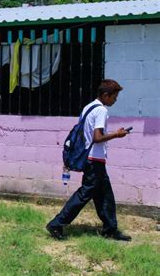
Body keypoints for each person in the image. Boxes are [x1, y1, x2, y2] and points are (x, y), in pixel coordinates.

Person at [46, 79, 132, 241]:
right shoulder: (101, 110)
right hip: (94, 159)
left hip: (90, 159)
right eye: (114, 97)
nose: (115, 100)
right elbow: (97, 137)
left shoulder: (88, 107)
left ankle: (110, 228)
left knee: (104, 194)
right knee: (85, 194)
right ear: (106, 95)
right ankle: (57, 223)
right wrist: (117, 134)